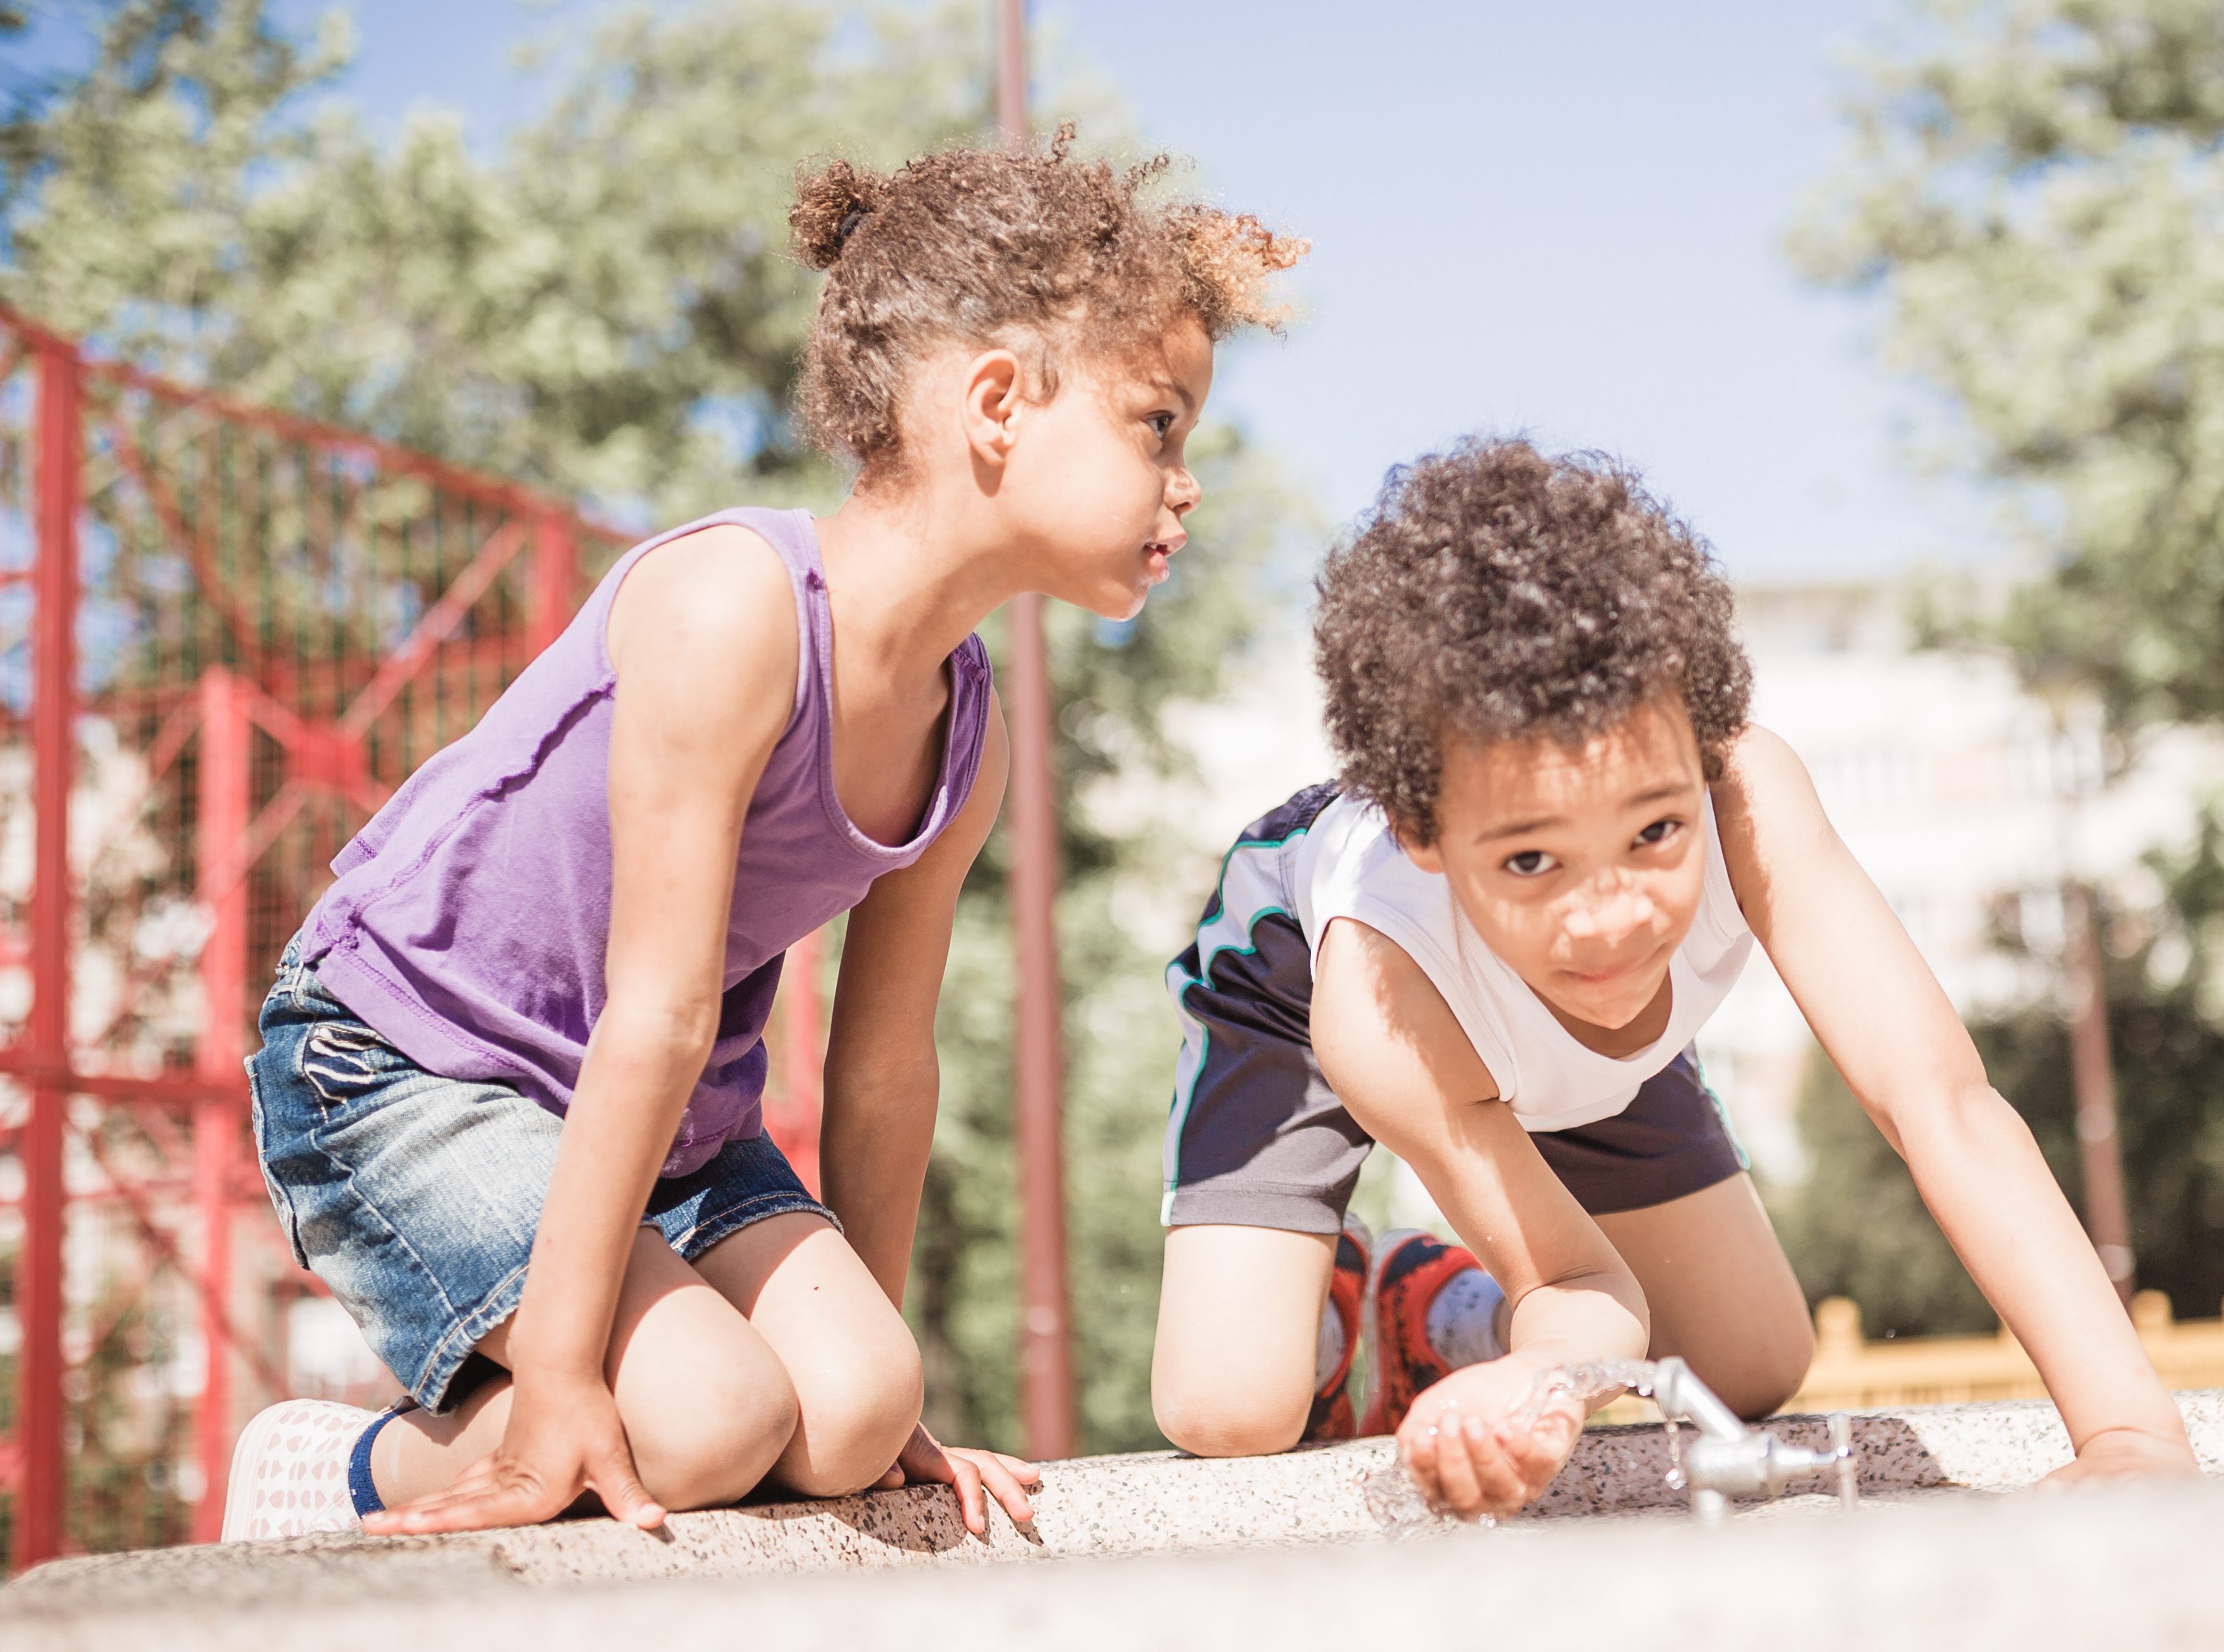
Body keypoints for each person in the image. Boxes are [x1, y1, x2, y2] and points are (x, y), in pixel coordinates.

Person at [224, 132, 1301, 1542]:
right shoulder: (732, 607)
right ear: (995, 402)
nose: (1187, 481)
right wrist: (555, 1375)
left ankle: (716, 1375)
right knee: (712, 1420)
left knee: (851, 1412)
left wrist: (887, 1373)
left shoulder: (963, 727)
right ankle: (342, 1461)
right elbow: (660, 1007)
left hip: (662, 1119)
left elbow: (883, 1064)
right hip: (406, 1067)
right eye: (1160, 424)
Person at [1151, 438, 2198, 1518]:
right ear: (1425, 832)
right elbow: (1570, 1284)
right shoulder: (1377, 989)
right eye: (1531, 860)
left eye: (1654, 833)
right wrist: (1548, 1361)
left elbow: (1942, 1104)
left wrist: (2127, 1430)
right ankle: (1363, 1306)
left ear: (1700, 759)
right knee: (1229, 1408)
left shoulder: (1749, 802)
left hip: (1544, 1021)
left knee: (1746, 1364)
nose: (1609, 915)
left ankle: (1443, 1322)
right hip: (1314, 983)